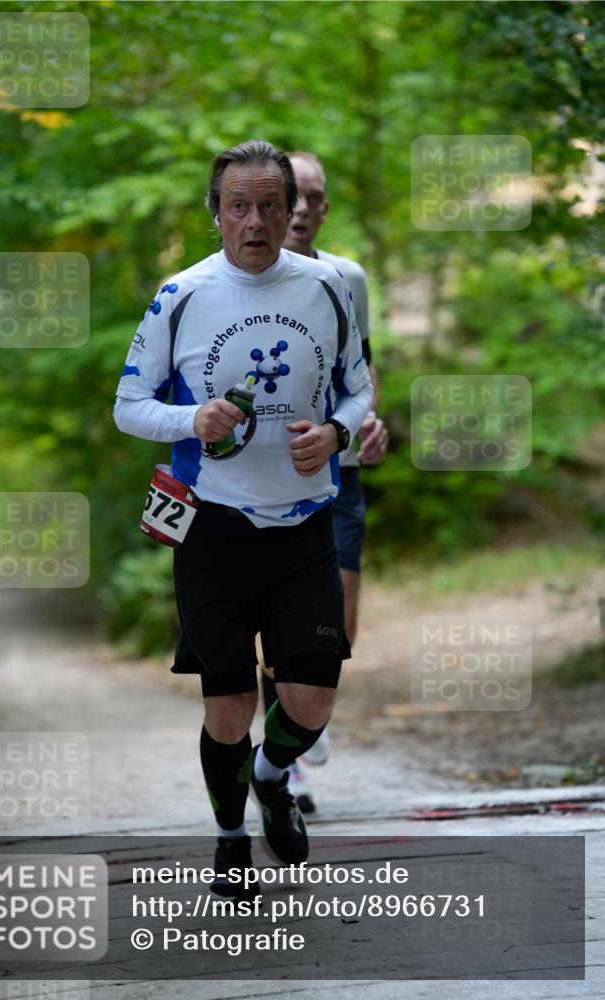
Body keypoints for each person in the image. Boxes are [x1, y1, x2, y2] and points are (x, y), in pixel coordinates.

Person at [114, 140, 373, 900]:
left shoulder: (326, 288)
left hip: (303, 526)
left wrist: (336, 433)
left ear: (290, 210)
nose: (254, 222)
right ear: (215, 211)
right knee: (226, 706)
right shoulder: (180, 295)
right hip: (211, 526)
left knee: (310, 700)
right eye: (238, 206)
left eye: (270, 206)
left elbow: (358, 394)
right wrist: (193, 418)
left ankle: (272, 776)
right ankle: (229, 839)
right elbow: (128, 408)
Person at [260, 151, 389, 814]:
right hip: (266, 483)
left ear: (324, 208)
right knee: (280, 631)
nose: (303, 209)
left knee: (334, 633)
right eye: (293, 196)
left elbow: (359, 373)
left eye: (315, 198)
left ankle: (294, 727)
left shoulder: (348, 278)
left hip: (337, 479)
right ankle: (280, 768)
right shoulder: (237, 285)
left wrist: (370, 422)